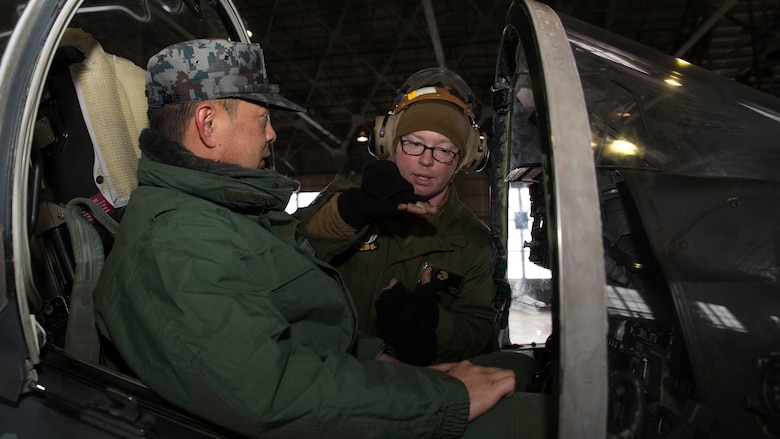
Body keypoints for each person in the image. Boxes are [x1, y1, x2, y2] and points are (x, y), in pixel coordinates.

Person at [93, 39, 548, 438]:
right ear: (208, 124)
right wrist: (442, 398)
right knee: (545, 421)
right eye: (263, 118)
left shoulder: (224, 216)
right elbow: (269, 394)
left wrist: (394, 354)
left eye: (444, 150)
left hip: (350, 379)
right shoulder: (180, 241)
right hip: (332, 399)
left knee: (526, 371)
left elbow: (299, 324)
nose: (272, 134)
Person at [296, 68, 498, 367]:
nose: (427, 160)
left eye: (444, 150)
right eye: (414, 143)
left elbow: (477, 333)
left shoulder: (474, 240)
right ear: (389, 143)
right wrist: (350, 212)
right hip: (329, 372)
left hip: (417, 388)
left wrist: (431, 323)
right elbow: (289, 251)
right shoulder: (346, 200)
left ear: (463, 160)